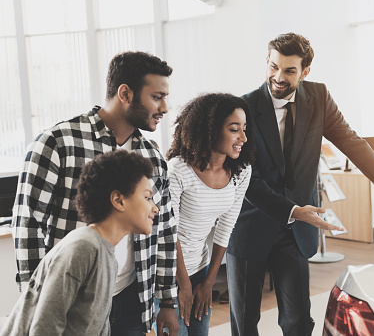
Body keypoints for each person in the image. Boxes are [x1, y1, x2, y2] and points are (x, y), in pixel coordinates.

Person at [226, 32, 374, 336]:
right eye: (273, 66)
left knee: (299, 321)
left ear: (305, 72)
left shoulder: (318, 97)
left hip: (296, 232)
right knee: (245, 323)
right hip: (250, 228)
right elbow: (245, 178)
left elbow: (352, 144)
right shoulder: (242, 107)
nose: (278, 77)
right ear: (267, 61)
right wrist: (294, 210)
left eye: (289, 71)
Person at [11, 51, 179, 335]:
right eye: (157, 97)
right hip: (73, 299)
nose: (165, 107)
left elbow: (164, 230)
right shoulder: (57, 143)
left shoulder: (153, 157)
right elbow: (28, 225)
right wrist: (37, 300)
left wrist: (166, 300)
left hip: (132, 296)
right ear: (125, 93)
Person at [1, 150, 158, 335]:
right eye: (147, 197)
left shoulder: (108, 256)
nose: (155, 208)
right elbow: (45, 329)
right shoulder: (83, 247)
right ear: (118, 200)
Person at [154, 93, 254, 335]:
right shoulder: (178, 169)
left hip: (200, 268)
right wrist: (183, 283)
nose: (243, 137)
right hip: (167, 271)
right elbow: (168, 229)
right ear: (210, 129)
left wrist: (208, 281)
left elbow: (226, 226)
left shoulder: (241, 171)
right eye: (234, 129)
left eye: (244, 128)